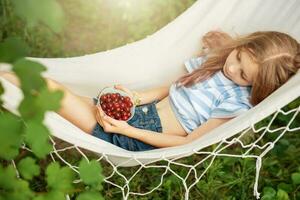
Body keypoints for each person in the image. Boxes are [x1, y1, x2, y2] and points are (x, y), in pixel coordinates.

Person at [1, 31, 299, 151]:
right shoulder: (218, 64)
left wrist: (129, 131)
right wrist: (136, 98)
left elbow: (187, 144)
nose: (232, 70)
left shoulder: (236, 104)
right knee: (58, 91)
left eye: (244, 74)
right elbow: (174, 88)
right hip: (135, 113)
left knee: (45, 89)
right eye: (237, 58)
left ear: (258, 85)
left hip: (139, 135)